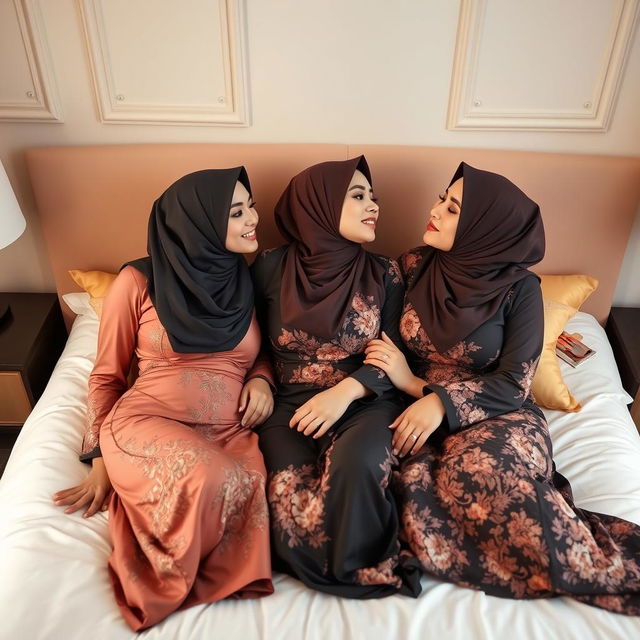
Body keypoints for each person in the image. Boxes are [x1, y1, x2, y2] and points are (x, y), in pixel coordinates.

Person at [364, 161, 640, 614]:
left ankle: (604, 570)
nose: (436, 210)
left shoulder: (521, 289)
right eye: (442, 199)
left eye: (453, 208)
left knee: (483, 477)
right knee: (406, 482)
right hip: (413, 405)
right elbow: (386, 345)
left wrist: (426, 393)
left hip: (496, 409)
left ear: (483, 227)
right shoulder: (411, 266)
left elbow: (515, 382)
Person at [53, 168, 275, 630]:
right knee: (208, 477)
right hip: (148, 419)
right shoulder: (135, 282)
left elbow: (266, 353)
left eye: (249, 206)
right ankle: (171, 583)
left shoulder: (246, 281)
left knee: (245, 482)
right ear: (196, 222)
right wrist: (101, 462)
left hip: (228, 429)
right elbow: (106, 376)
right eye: (237, 212)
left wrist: (262, 380)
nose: (253, 218)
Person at [251, 156, 420, 599]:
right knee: (286, 484)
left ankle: (358, 565)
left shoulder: (384, 273)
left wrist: (346, 393)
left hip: (365, 398)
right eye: (358, 196)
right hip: (287, 403)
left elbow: (393, 354)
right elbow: (251, 345)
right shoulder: (269, 267)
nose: (374, 206)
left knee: (358, 467)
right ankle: (312, 564)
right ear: (318, 205)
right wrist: (260, 380)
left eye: (374, 197)